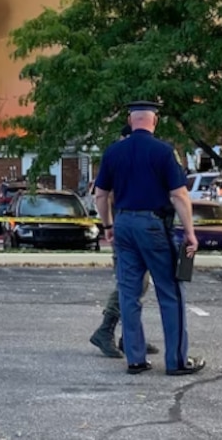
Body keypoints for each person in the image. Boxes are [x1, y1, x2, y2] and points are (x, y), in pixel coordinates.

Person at [94, 101, 204, 376]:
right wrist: (190, 231)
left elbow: (100, 194)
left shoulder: (113, 152)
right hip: (154, 226)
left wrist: (108, 224)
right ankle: (177, 361)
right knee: (170, 292)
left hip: (123, 225)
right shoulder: (164, 152)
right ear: (153, 121)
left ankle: (135, 359)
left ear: (131, 121)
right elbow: (179, 195)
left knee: (129, 294)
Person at [90, 124, 158, 359]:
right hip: (126, 228)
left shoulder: (120, 157)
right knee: (130, 284)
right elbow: (102, 194)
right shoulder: (121, 159)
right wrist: (108, 225)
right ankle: (105, 331)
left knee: (139, 284)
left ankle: (130, 337)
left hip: (130, 227)